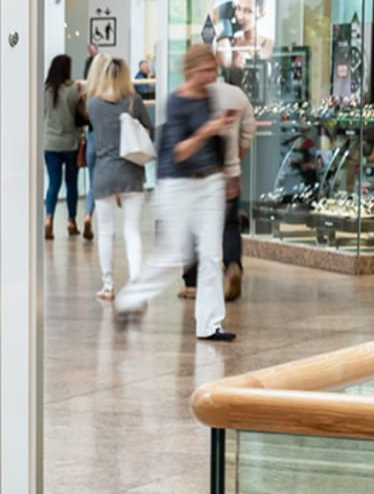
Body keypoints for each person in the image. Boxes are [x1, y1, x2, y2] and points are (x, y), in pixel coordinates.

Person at [114, 43, 236, 342]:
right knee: (173, 255)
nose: (212, 76)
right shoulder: (176, 102)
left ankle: (210, 324)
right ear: (191, 71)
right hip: (178, 184)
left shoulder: (210, 97)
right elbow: (180, 152)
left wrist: (226, 174)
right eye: (207, 71)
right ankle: (129, 298)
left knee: (211, 255)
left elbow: (213, 144)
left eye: (214, 71)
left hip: (210, 183)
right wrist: (209, 129)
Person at [84, 57, 153, 301]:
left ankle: (108, 285)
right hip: (131, 173)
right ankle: (135, 282)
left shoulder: (93, 105)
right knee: (132, 231)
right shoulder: (134, 102)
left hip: (104, 173)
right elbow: (149, 129)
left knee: (105, 232)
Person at [182, 77, 254, 302]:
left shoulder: (191, 96)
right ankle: (232, 265)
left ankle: (192, 282)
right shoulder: (237, 95)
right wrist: (236, 157)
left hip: (198, 173)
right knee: (229, 224)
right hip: (229, 172)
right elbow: (248, 130)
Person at [43, 54, 84, 240]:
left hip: (50, 143)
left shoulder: (46, 90)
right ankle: (71, 221)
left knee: (53, 182)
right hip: (70, 143)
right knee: (71, 184)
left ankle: (48, 218)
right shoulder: (73, 89)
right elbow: (81, 112)